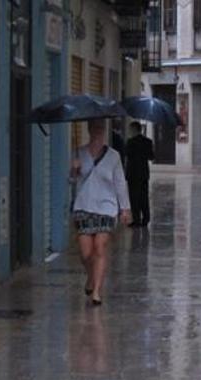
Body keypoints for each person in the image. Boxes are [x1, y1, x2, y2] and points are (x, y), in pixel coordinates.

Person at [70, 119, 132, 306]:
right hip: (83, 206)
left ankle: (96, 291)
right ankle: (91, 277)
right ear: (89, 130)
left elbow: (120, 183)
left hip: (106, 207)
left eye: (100, 129)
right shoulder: (78, 153)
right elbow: (71, 181)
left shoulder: (113, 156)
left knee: (100, 247)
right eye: (94, 128)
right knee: (85, 253)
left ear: (104, 132)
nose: (98, 132)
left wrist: (125, 208)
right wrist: (74, 170)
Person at [125, 121, 154, 227]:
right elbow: (152, 157)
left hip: (132, 174)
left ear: (134, 130)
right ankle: (146, 219)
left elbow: (126, 154)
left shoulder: (130, 142)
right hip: (143, 174)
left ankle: (136, 220)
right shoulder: (148, 142)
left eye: (130, 129)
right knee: (144, 197)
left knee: (134, 198)